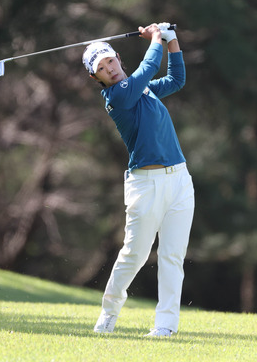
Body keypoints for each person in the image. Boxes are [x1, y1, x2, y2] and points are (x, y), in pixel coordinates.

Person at [82, 23, 194, 338]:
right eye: (101, 69)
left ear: (118, 58)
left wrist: (172, 41)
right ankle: (109, 313)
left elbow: (176, 80)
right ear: (97, 78)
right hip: (145, 184)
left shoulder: (140, 88)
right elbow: (145, 71)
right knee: (136, 254)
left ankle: (166, 326)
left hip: (180, 181)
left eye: (110, 62)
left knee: (173, 256)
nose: (109, 69)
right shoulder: (117, 96)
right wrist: (156, 39)